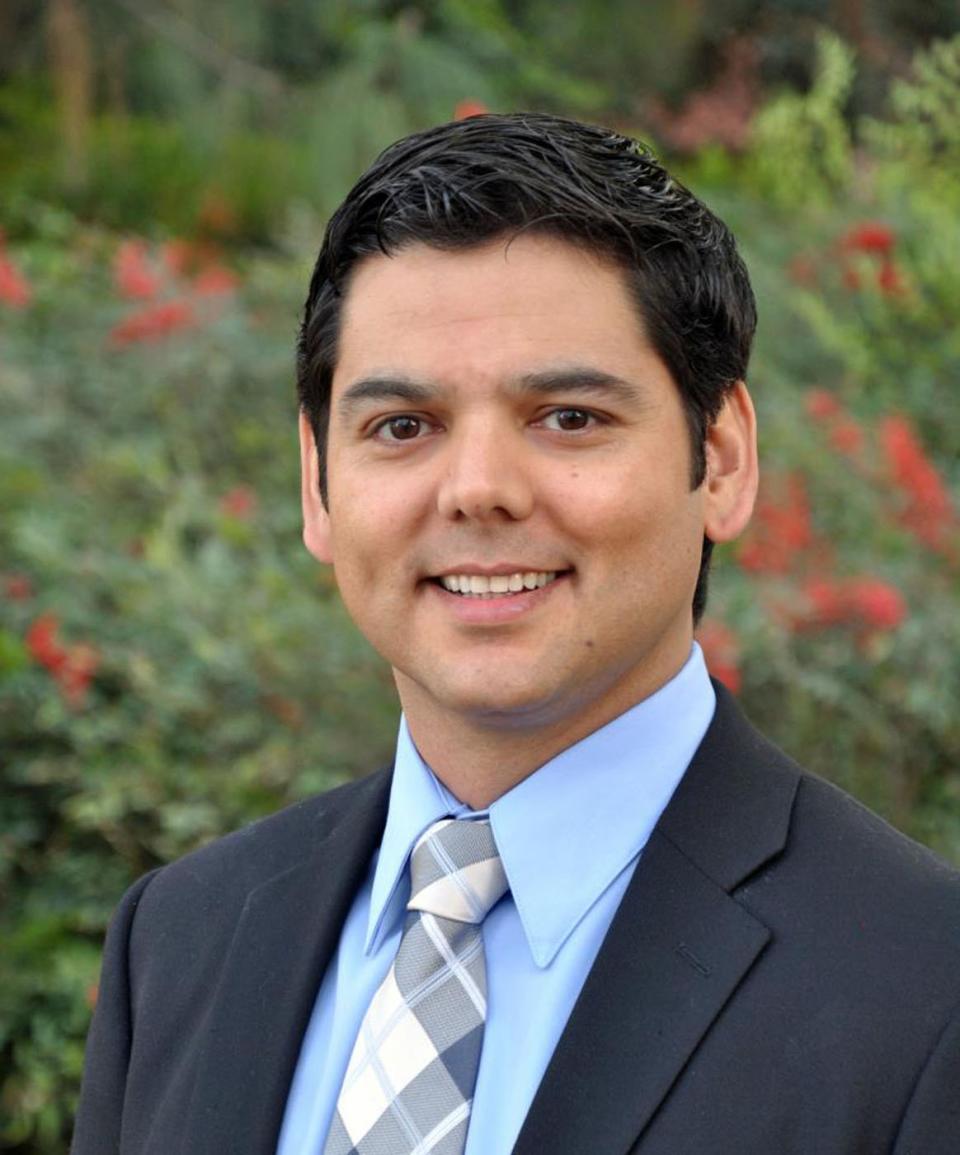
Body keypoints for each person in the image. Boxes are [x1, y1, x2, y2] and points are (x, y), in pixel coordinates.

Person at [72, 114, 960, 1155]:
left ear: (719, 458)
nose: (479, 490)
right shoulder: (181, 942)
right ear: (317, 483)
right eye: (402, 427)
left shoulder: (924, 990)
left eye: (568, 417)